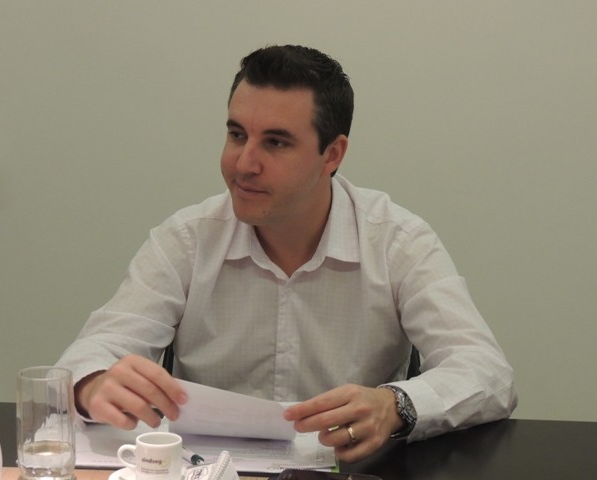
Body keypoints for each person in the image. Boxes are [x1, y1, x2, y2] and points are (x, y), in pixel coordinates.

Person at [56, 45, 517, 463]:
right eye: (237, 135)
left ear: (332, 155)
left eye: (275, 143)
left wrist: (396, 405)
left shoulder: (396, 241)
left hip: (347, 469)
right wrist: (92, 385)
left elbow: (486, 371)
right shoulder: (187, 239)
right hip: (210, 471)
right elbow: (90, 354)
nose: (244, 164)